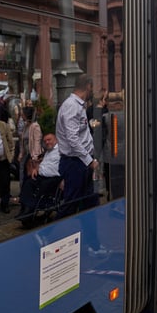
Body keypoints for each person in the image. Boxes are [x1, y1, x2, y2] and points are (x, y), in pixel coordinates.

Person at [56, 73, 99, 219]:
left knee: (89, 203)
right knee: (71, 204)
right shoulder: (71, 106)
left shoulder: (78, 106)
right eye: (92, 88)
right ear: (88, 86)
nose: (92, 92)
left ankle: (90, 233)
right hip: (75, 163)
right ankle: (55, 232)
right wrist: (89, 160)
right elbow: (72, 139)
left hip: (80, 162)